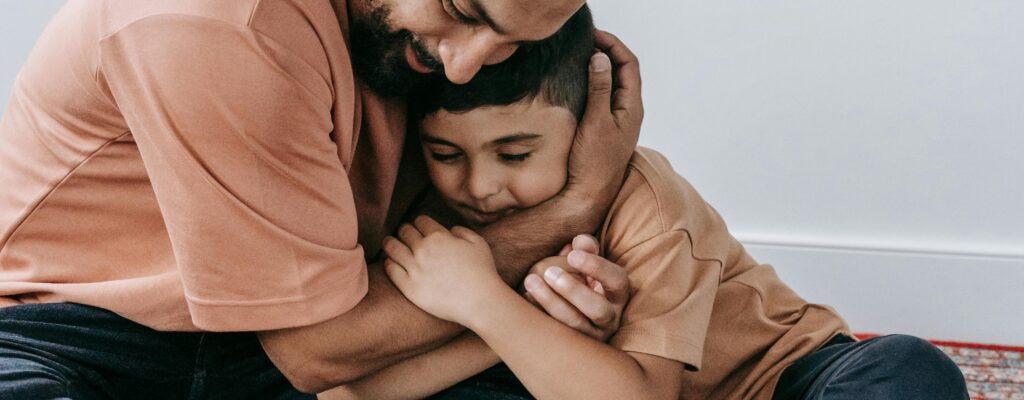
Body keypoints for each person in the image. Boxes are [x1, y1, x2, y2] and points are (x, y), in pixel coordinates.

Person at [0, 0, 642, 398]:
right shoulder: (215, 21)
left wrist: (526, 324)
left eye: (516, 43)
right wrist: (575, 205)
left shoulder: (423, 41)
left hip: (314, 343)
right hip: (73, 334)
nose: (465, 68)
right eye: (463, 9)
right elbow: (313, 354)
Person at [326, 9, 970, 399]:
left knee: (905, 372)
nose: (480, 185)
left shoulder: (646, 201)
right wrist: (514, 325)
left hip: (779, 382)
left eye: (516, 154)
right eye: (445, 154)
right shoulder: (434, 225)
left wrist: (486, 305)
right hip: (567, 389)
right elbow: (349, 389)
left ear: (585, 125)